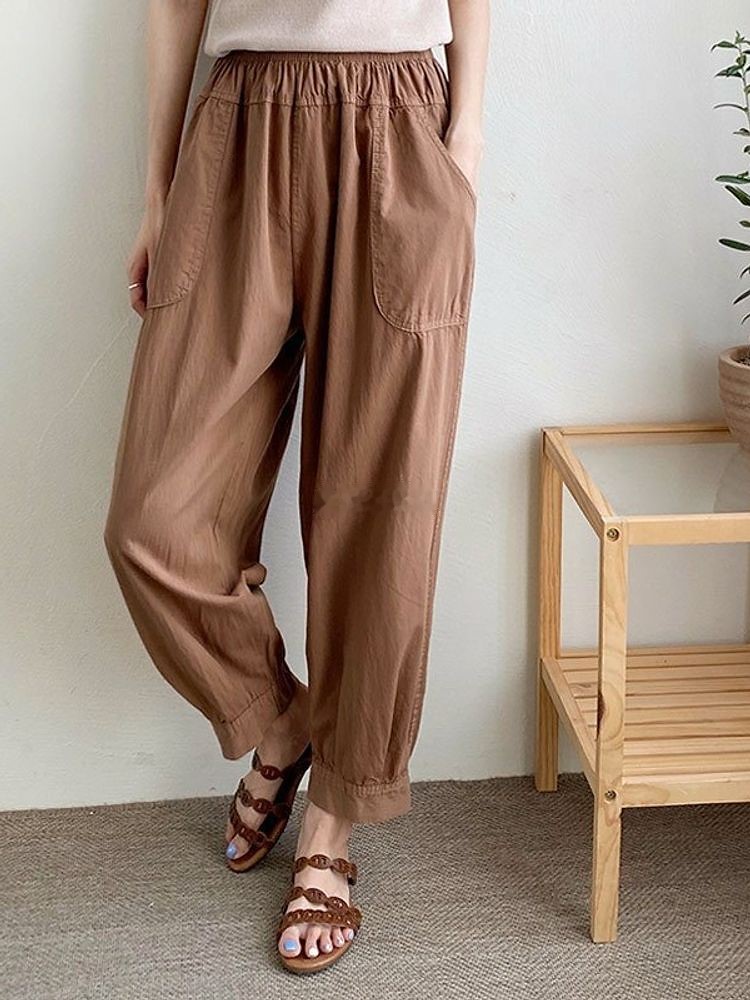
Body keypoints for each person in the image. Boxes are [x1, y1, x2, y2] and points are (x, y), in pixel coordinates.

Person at [105, 0, 488, 974]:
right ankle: (279, 714)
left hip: (398, 118)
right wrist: (155, 190)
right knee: (153, 517)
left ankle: (332, 820)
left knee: (382, 504)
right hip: (237, 125)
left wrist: (467, 133)